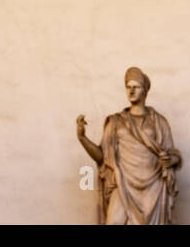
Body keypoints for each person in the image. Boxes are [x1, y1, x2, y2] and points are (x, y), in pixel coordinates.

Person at [76, 67, 181, 224]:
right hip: (122, 182)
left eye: (136, 87)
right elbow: (101, 157)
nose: (131, 91)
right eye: (128, 87)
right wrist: (82, 137)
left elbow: (175, 156)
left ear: (144, 90)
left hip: (153, 187)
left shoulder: (159, 122)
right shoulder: (116, 122)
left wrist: (169, 160)